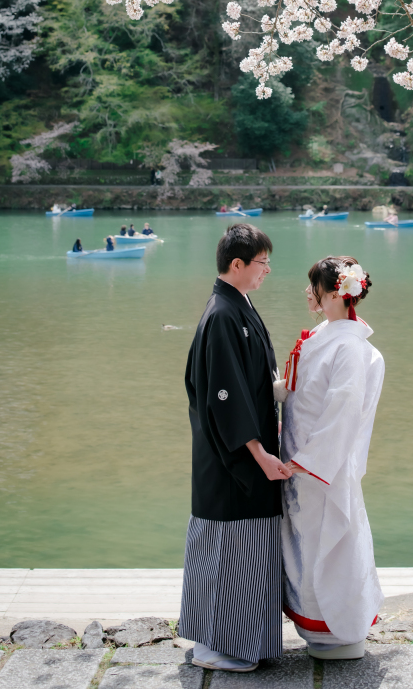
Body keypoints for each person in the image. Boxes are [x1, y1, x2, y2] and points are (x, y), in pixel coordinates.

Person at [180, 223, 290, 673]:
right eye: (262, 263)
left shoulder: (238, 306)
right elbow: (224, 396)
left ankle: (236, 641)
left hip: (244, 453)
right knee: (228, 551)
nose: (267, 271)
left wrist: (281, 390)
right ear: (238, 264)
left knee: (240, 552)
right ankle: (216, 646)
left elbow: (251, 383)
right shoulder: (222, 315)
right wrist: (260, 454)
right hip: (232, 460)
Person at [281, 255, 385, 660]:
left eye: (314, 287)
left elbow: (342, 412)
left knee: (330, 548)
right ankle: (316, 626)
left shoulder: (349, 347)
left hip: (321, 467)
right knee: (305, 548)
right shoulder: (328, 335)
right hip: (300, 462)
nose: (308, 293)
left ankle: (339, 629)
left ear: (335, 294)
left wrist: (308, 462)